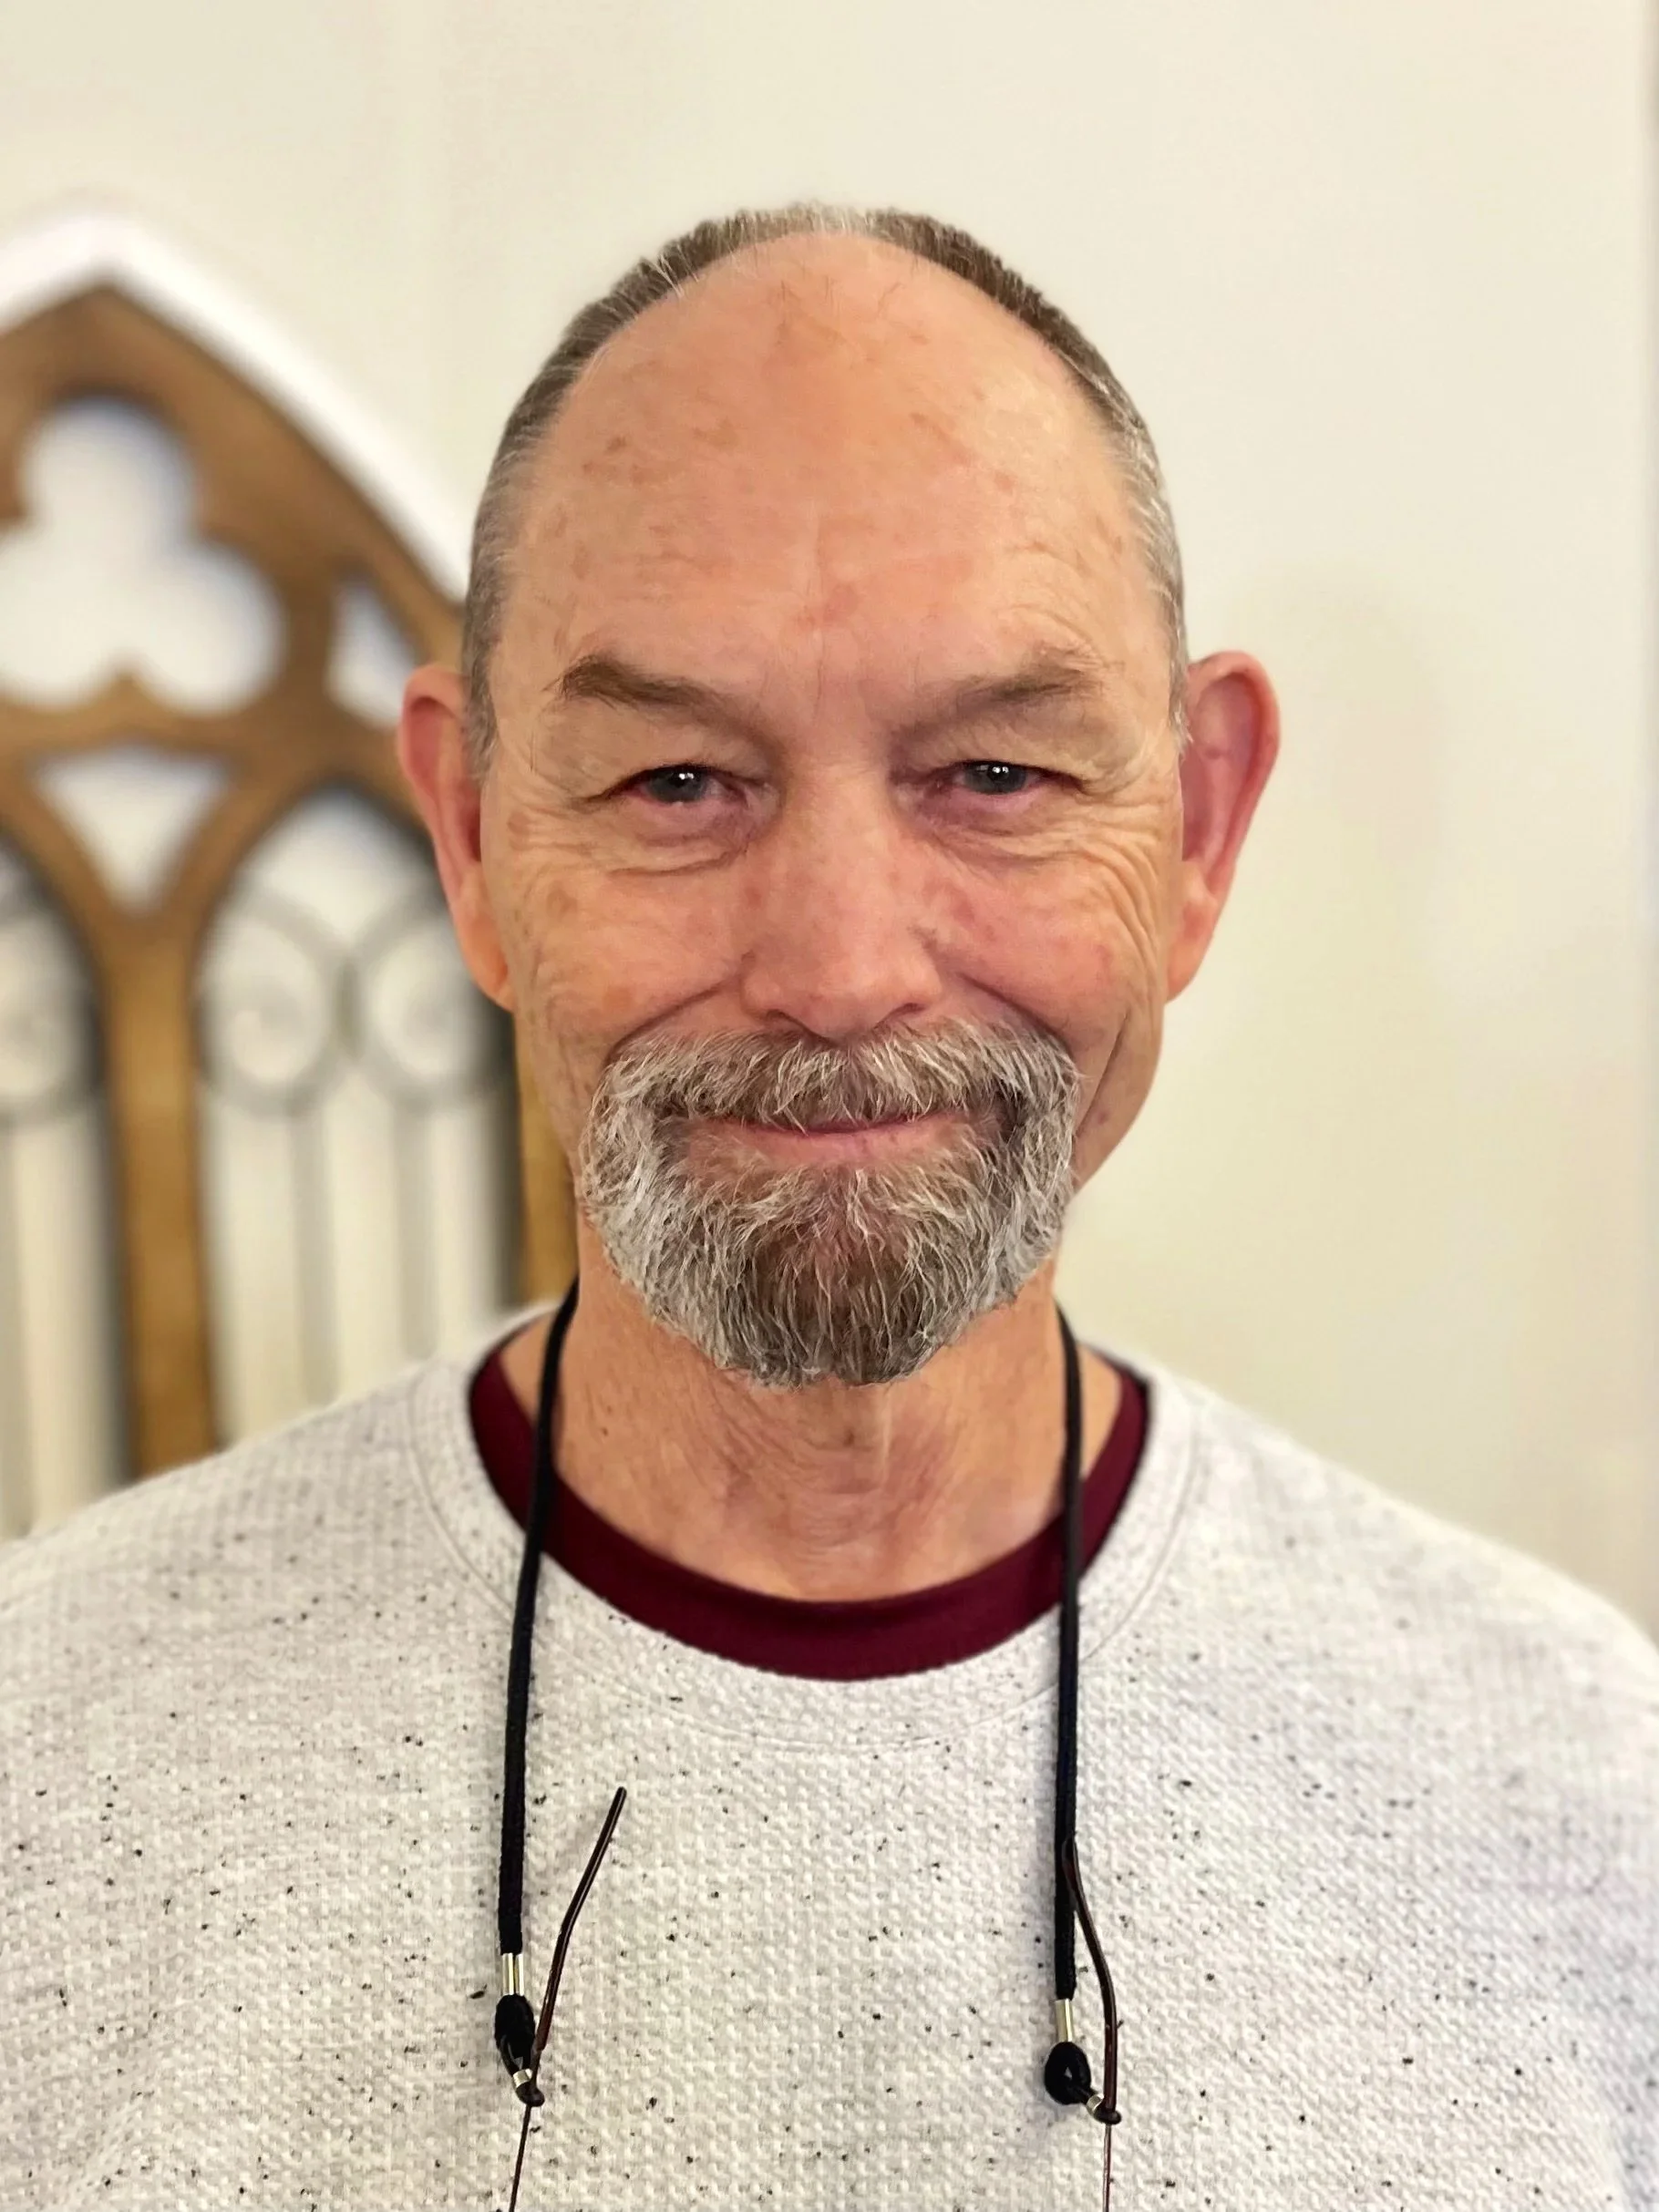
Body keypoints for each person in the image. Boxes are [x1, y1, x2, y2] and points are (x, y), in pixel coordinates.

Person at [2, 202, 1654, 2212]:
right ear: (469, 835)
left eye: (993, 773)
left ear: (1200, 829)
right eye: (678, 784)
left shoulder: (1579, 1790)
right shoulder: (47, 1762)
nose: (842, 966)